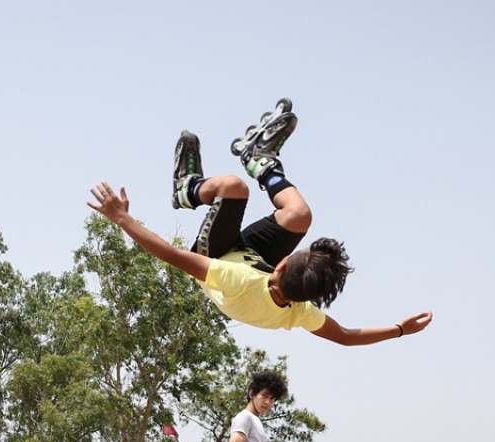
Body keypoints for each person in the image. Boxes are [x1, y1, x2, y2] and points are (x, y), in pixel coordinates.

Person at [87, 98, 432, 345]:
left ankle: (186, 189)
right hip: (251, 258)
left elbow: (170, 255)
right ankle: (260, 160)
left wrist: (122, 218)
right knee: (299, 216)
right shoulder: (299, 312)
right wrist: (399, 330)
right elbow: (343, 336)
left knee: (233, 188)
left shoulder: (235, 279)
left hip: (219, 255)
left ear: (280, 265)